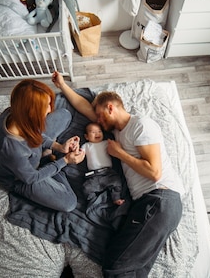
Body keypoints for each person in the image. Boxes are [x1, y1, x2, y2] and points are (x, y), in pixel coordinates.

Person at [52, 72, 185, 277]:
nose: (98, 121)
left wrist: (119, 153)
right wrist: (62, 84)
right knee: (133, 271)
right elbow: (83, 106)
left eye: (100, 116)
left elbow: (155, 173)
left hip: (159, 200)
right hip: (151, 204)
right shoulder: (117, 133)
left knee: (115, 266)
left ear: (111, 108)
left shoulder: (141, 125)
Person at [0, 79, 85, 212]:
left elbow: (34, 132)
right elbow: (31, 178)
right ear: (31, 113)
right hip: (21, 178)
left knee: (64, 115)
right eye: (46, 106)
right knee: (69, 203)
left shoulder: (14, 113)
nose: (50, 110)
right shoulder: (12, 150)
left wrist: (58, 147)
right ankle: (47, 163)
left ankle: (47, 160)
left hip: (29, 154)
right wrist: (65, 160)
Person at [82, 122, 125, 206]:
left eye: (99, 131)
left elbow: (116, 147)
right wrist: (76, 151)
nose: (97, 134)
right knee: (86, 188)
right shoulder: (86, 146)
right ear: (86, 136)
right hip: (94, 175)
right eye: (93, 132)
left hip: (108, 173)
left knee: (117, 182)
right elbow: (80, 154)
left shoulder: (106, 143)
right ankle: (93, 201)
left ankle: (116, 198)